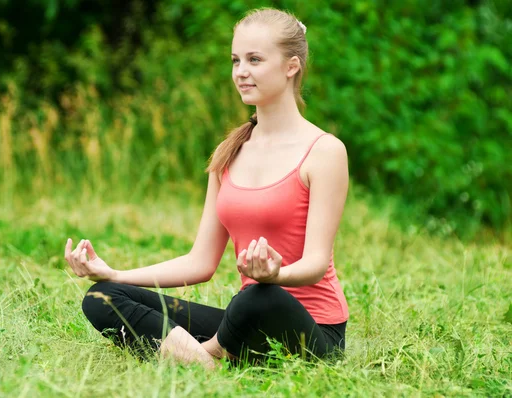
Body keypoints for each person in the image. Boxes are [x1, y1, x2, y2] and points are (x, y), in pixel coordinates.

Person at [65, 7, 349, 369]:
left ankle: (204, 353)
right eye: (235, 60)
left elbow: (315, 263)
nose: (241, 72)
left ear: (291, 66)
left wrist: (276, 276)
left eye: (255, 60)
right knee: (102, 297)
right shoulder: (229, 153)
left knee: (258, 297)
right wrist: (115, 274)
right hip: (244, 324)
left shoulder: (324, 151)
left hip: (311, 331)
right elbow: (200, 262)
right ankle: (210, 362)